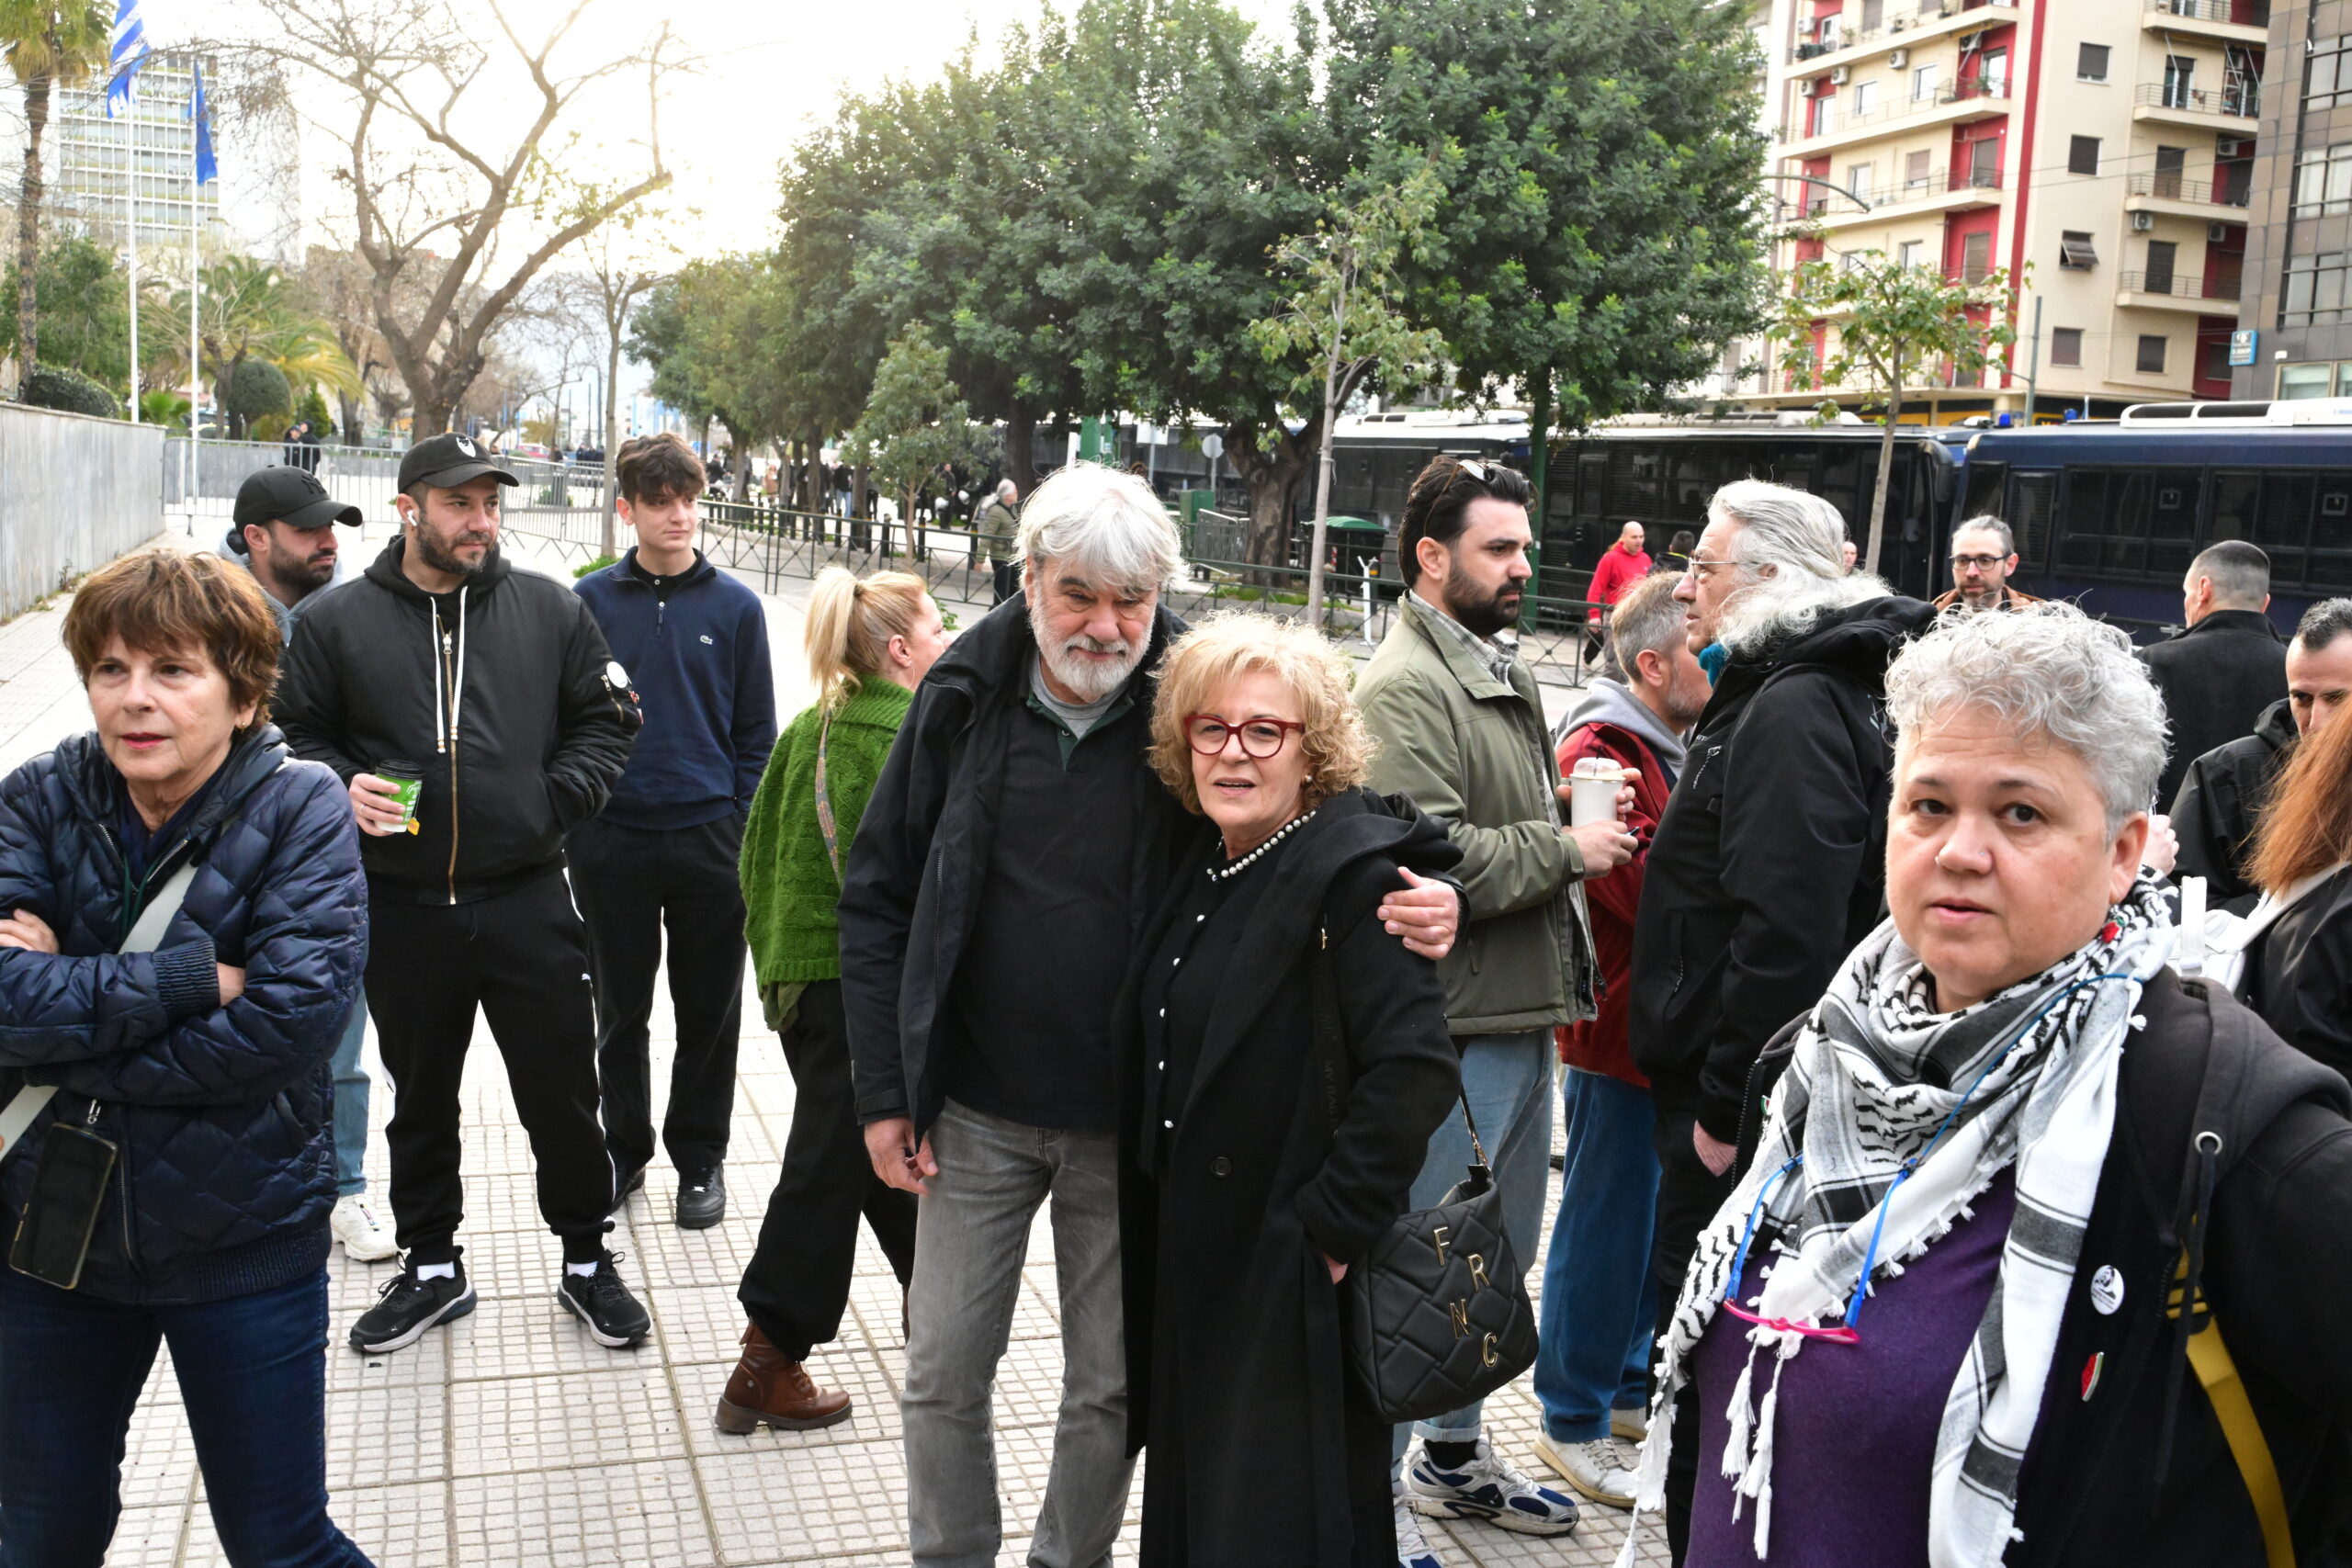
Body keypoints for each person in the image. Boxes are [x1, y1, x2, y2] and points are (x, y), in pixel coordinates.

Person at [1623, 604, 2352, 1568]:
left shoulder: (2221, 1119)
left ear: (2123, 851)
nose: (1960, 851)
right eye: (1928, 805)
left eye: (2021, 813)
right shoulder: (1814, 1060)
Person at [840, 462, 1464, 1568]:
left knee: (1112, 1385)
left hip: (1132, 1127)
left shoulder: (1195, 692)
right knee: (940, 1369)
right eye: (1078, 594)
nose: (1105, 624)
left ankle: (1067, 1561)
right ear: (1028, 579)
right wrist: (885, 1093)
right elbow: (880, 895)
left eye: (1130, 600)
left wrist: (1435, 883)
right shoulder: (960, 695)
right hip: (973, 1108)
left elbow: (1330, 797)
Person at [0, 549, 373, 1567]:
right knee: (39, 1537)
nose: (136, 698)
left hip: (243, 1239)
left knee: (281, 1544)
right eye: (111, 669)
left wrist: (55, 1028)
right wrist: (180, 983)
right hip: (52, 1243)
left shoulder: (302, 811)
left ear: (243, 695)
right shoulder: (38, 796)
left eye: (173, 670)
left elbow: (282, 1030)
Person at [275, 432, 650, 1356]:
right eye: (459, 504)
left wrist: (548, 803)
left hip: (528, 897)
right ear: (410, 509)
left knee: (563, 1091)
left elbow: (609, 721)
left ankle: (586, 1257)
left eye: (490, 503)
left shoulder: (550, 610)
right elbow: (289, 732)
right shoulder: (333, 622)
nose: (481, 521)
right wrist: (339, 783)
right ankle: (433, 1265)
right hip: (400, 906)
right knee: (420, 1098)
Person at [1119, 614, 1462, 1567]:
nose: (1234, 751)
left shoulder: (1352, 876)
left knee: (1278, 1517)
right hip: (1198, 1255)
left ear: (1313, 752)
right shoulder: (1208, 857)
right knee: (1206, 1503)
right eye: (1211, 727)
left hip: (1285, 1258)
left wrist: (1329, 1230)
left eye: (1265, 730)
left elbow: (1415, 1066)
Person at [1354, 454, 1634, 1562]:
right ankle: (1370, 1498)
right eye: (1499, 548)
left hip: (1515, 1012)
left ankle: (1452, 1457)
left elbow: (1481, 817)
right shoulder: (1402, 685)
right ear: (1431, 557)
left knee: (1494, 1252)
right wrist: (1568, 847)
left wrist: (1556, 816)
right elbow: (1427, 852)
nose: (1524, 566)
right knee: (1424, 1258)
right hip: (1452, 1026)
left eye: (1525, 547)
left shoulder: (1488, 661)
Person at [1630, 479, 1936, 1439]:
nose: (1683, 588)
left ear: (1767, 578)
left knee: (1708, 1341)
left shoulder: (1792, 701)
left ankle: (1692, 1508)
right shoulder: (1799, 684)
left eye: (1702, 566)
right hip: (1764, 1081)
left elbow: (1786, 929)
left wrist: (1727, 1107)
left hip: (1742, 1099)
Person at [719, 567, 944, 1434]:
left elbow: (753, 851)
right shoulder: (903, 736)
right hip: (867, 989)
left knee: (874, 1156)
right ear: (900, 649)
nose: (950, 641)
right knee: (830, 1164)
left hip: (807, 981)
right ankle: (767, 1358)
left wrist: (783, 955)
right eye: (937, 628)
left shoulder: (813, 725)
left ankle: (937, 1315)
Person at [1532, 574, 1709, 1509]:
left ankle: (1627, 1390)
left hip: (1660, 1025)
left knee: (1645, 1223)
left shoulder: (1671, 745)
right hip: (1618, 1027)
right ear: (1653, 664)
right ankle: (1572, 1417)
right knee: (1603, 1227)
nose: (1718, 663)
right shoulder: (1601, 750)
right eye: (1701, 650)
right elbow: (1630, 887)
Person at [572, 434, 776, 1230]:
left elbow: (755, 733)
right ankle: (624, 1148)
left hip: (709, 841)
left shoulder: (737, 608)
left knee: (710, 1013)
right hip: (612, 839)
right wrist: (580, 820)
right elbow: (567, 722)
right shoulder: (588, 603)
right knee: (619, 1011)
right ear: (627, 508)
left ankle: (701, 1160)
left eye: (689, 500)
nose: (679, 515)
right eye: (660, 502)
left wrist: (740, 825)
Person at [222, 467, 394, 1266]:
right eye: (308, 530)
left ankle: (343, 1186)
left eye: (333, 527)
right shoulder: (205, 612)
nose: (328, 542)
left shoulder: (348, 612)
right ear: (257, 538)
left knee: (340, 1036)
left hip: (329, 863)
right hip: (229, 867)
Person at [2171, 597, 2352, 913]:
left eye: (2337, 699)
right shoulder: (2223, 775)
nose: (2316, 722)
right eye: (2302, 698)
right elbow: (2181, 902)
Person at [2143, 540, 2289, 810]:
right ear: (2265, 603)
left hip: (2165, 830)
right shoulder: (2296, 675)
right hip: (2266, 835)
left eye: (2186, 593)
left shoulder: (2153, 662)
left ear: (2203, 589)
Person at [1930, 515, 2040, 614]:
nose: (1971, 573)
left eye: (1985, 560)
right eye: (1962, 561)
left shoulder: (2040, 624)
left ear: (2010, 564)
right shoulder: (1926, 622)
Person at [1585, 521, 1651, 660]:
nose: (1639, 541)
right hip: (1615, 616)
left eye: (1641, 536)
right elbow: (1596, 587)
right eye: (1634, 537)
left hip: (1638, 617)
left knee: (1634, 662)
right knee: (1614, 662)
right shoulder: (1610, 558)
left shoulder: (1645, 559)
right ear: (1623, 537)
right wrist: (1594, 615)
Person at [975, 477, 1022, 605]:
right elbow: (987, 536)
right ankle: (996, 611)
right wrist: (980, 559)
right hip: (1000, 556)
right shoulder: (995, 512)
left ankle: (1007, 613)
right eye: (1015, 492)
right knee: (1002, 590)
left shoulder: (1011, 509)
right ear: (1008, 496)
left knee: (1012, 590)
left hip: (1012, 556)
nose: (1017, 494)